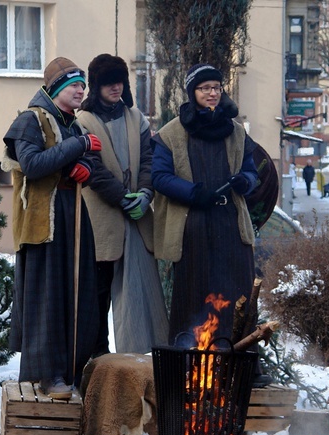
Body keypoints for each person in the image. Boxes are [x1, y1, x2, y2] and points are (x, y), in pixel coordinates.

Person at [151, 63, 271, 387]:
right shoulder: (171, 133)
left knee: (239, 297)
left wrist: (243, 181)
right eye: (205, 88)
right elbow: (159, 177)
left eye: (217, 87)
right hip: (192, 227)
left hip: (231, 226)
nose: (212, 93)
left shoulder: (235, 131)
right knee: (192, 296)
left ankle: (243, 369)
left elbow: (251, 170)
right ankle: (186, 371)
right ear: (193, 93)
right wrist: (194, 193)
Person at [3, 57, 110, 400]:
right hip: (43, 224)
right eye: (74, 85)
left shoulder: (73, 125)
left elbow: (89, 165)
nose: (81, 90)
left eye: (83, 85)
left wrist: (86, 170)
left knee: (78, 297)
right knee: (48, 299)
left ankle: (74, 371)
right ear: (56, 88)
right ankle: (48, 376)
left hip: (74, 215)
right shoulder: (30, 120)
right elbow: (33, 165)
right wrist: (77, 148)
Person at [77, 53, 169, 354]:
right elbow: (92, 169)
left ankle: (142, 361)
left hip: (138, 221)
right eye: (107, 83)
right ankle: (97, 364)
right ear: (96, 85)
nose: (115, 88)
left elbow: (148, 161)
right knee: (98, 298)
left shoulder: (136, 118)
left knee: (141, 295)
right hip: (101, 222)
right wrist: (120, 196)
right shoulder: (83, 121)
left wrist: (145, 193)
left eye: (119, 81)